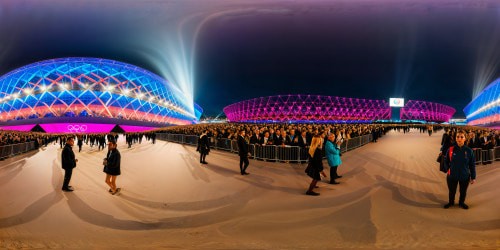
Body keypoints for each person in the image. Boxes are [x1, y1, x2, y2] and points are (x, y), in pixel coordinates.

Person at [443, 130, 476, 209]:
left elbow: (472, 165)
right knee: (452, 191)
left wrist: (473, 177)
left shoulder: (469, 151)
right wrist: (448, 169)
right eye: (457, 137)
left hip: (464, 176)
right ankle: (451, 202)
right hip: (452, 175)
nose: (459, 138)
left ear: (465, 138)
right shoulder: (450, 149)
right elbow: (446, 161)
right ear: (455, 138)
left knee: (463, 191)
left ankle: (461, 202)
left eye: (462, 137)